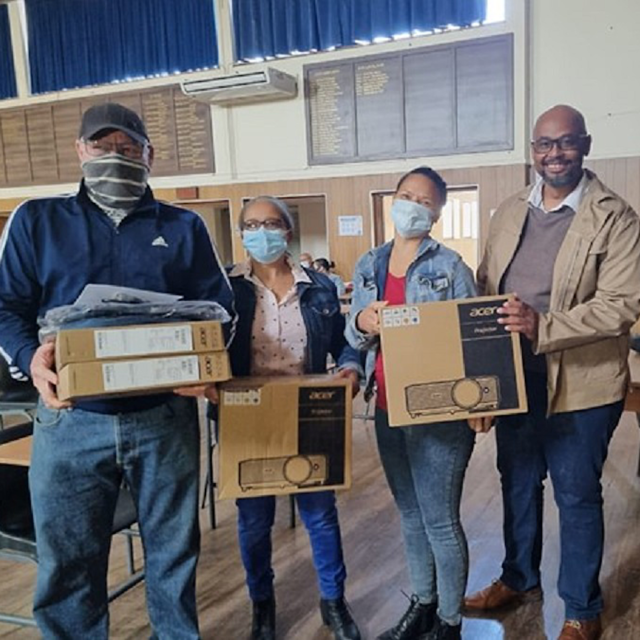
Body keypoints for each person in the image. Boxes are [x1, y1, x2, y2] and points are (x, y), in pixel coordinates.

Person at [0, 102, 234, 639]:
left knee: (175, 557)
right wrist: (28, 357)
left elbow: (220, 309)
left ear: (149, 154)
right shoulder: (38, 221)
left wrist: (208, 363)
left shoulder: (183, 226)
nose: (113, 158)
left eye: (126, 149)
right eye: (101, 149)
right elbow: (6, 308)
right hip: (70, 417)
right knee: (68, 564)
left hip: (164, 415)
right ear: (80, 152)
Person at [464, 105, 640, 640]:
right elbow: (485, 285)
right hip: (516, 376)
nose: (553, 153)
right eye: (543, 144)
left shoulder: (616, 216)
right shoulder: (509, 210)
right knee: (517, 483)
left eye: (564, 143)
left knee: (576, 492)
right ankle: (519, 578)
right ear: (532, 151)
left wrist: (545, 326)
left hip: (583, 381)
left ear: (584, 145)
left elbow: (621, 304)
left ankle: (582, 610)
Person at [346, 167, 477, 640]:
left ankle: (449, 622)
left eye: (425, 201)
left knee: (440, 519)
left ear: (437, 213)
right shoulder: (370, 264)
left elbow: (477, 337)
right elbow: (353, 337)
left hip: (440, 412)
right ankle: (422, 603)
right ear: (393, 200)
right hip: (387, 407)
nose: (413, 206)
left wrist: (481, 402)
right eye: (407, 196)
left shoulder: (451, 267)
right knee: (410, 515)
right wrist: (362, 319)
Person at [225, 196, 363, 640]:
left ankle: (333, 602)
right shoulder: (225, 290)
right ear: (242, 233)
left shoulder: (319, 287)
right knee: (254, 521)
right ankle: (262, 605)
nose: (261, 231)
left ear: (287, 230)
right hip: (248, 417)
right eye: (252, 224)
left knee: (320, 515)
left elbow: (346, 342)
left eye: (271, 223)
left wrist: (350, 367)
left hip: (310, 411)